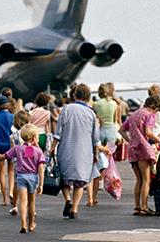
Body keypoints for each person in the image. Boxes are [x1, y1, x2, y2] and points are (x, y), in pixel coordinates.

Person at [0, 124, 45, 233]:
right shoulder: (38, 151)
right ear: (34, 137)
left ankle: (23, 224)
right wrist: (41, 184)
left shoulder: (17, 148)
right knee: (31, 202)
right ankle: (31, 224)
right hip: (33, 177)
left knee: (23, 202)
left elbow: (2, 157)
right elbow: (40, 168)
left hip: (21, 177)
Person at [50, 83, 99, 219]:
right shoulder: (91, 113)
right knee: (80, 181)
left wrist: (52, 147)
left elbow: (58, 132)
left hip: (66, 148)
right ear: (88, 97)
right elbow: (95, 138)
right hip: (84, 151)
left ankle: (67, 200)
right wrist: (95, 154)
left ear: (75, 95)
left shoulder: (66, 109)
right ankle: (75, 209)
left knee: (64, 179)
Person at [118, 95, 160, 216]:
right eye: (157, 110)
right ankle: (144, 206)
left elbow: (121, 130)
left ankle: (137, 207)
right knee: (146, 179)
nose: (156, 112)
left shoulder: (134, 114)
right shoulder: (149, 115)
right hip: (143, 148)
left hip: (133, 149)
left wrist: (129, 140)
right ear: (153, 106)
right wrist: (157, 138)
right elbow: (148, 132)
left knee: (139, 180)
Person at [0, 95, 14, 205]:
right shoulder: (12, 117)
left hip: (0, 145)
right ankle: (12, 193)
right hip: (11, 145)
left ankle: (4, 198)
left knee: (1, 172)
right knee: (11, 171)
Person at [8, 110, 31, 215]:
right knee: (30, 185)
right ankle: (29, 206)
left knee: (17, 184)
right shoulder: (30, 133)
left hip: (18, 163)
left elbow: (12, 150)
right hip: (29, 162)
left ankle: (14, 206)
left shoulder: (13, 135)